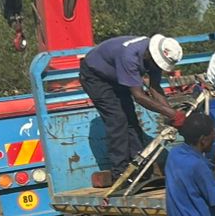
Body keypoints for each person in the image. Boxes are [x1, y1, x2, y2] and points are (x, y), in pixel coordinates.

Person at [79, 33, 185, 183]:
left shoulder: (153, 57)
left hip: (115, 74)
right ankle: (120, 172)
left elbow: (155, 87)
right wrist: (171, 113)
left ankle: (139, 166)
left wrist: (172, 114)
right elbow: (139, 96)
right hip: (95, 76)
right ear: (150, 56)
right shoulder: (130, 57)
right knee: (117, 119)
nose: (157, 67)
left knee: (131, 119)